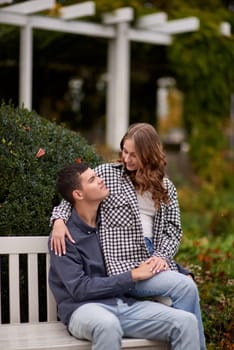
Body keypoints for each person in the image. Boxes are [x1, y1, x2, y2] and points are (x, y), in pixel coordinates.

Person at [50, 123, 206, 349]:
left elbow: (173, 229)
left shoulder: (166, 187)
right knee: (184, 287)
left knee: (187, 288)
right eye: (124, 151)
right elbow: (73, 196)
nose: (126, 158)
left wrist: (163, 257)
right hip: (123, 267)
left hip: (151, 257)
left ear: (149, 154)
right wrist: (58, 221)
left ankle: (183, 339)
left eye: (134, 154)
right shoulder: (108, 176)